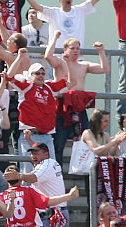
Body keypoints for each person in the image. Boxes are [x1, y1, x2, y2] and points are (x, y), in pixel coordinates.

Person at [44, 35, 110, 164]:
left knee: (87, 140)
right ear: (65, 50)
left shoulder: (84, 64)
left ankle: (87, 176)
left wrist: (101, 51)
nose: (75, 51)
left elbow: (105, 69)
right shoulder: (60, 62)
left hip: (79, 107)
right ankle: (58, 177)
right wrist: (55, 38)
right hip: (62, 106)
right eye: (72, 48)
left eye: (78, 48)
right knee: (59, 143)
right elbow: (47, 56)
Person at [7, 49, 67, 167]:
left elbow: (68, 80)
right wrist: (19, 58)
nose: (40, 76)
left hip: (47, 136)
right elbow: (9, 76)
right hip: (29, 135)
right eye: (37, 73)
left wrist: (65, 61)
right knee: (28, 174)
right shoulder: (26, 87)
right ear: (31, 75)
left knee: (51, 172)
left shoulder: (49, 87)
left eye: (43, 73)